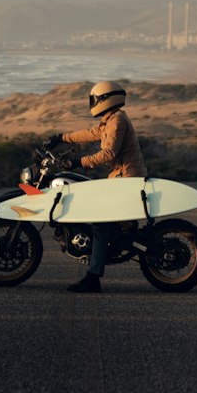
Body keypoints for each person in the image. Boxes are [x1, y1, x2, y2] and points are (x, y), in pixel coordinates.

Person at [53, 81, 146, 293]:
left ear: (105, 99)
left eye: (96, 99)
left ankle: (93, 277)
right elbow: (89, 134)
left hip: (126, 179)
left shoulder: (117, 121)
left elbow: (108, 154)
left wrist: (76, 162)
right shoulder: (110, 120)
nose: (93, 103)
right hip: (121, 178)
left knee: (99, 222)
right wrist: (61, 138)